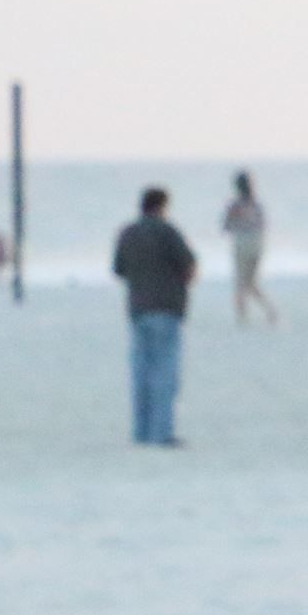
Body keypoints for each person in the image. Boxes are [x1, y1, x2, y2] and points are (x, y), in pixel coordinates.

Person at [112, 187, 198, 447]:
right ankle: (161, 433)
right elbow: (189, 266)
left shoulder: (127, 233)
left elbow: (118, 269)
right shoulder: (167, 232)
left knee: (141, 373)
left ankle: (141, 431)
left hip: (138, 309)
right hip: (167, 307)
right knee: (165, 373)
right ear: (162, 206)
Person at [222, 171, 277, 326]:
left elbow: (226, 226)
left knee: (241, 283)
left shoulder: (235, 205)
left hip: (242, 243)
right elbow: (263, 225)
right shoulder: (256, 204)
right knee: (251, 282)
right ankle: (270, 310)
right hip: (257, 243)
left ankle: (242, 318)